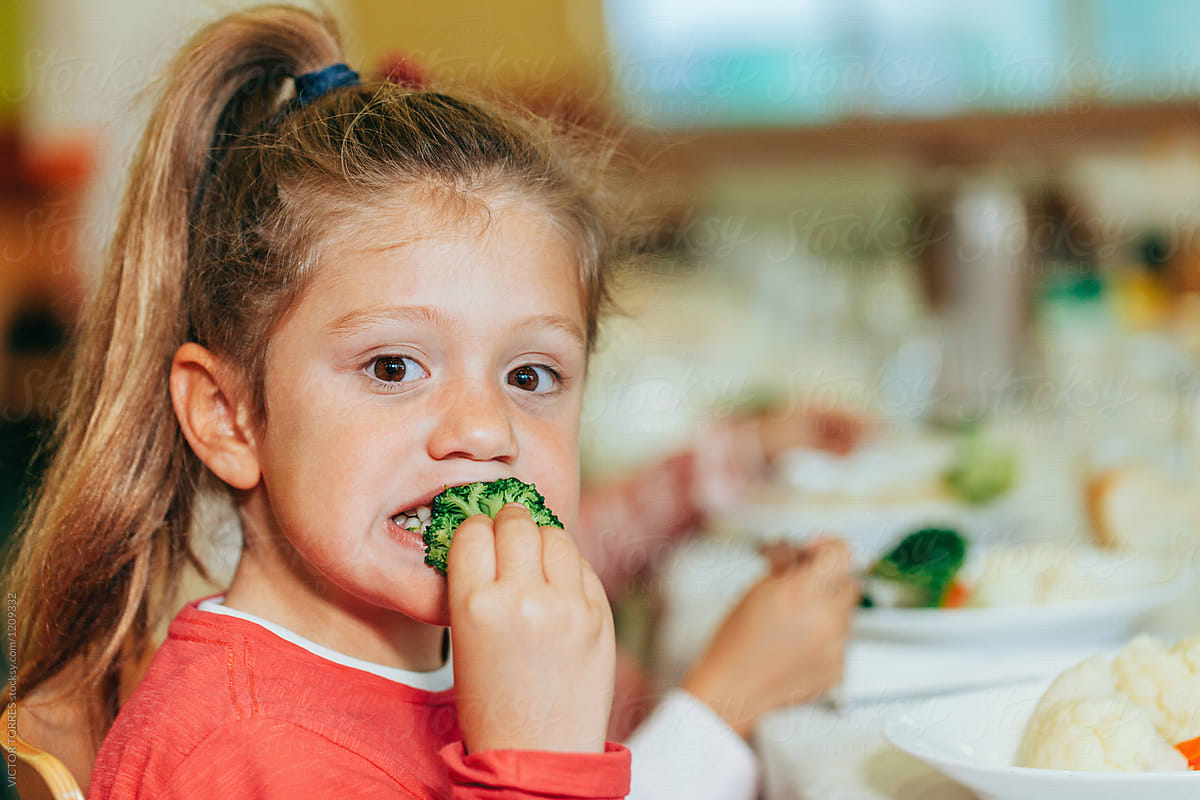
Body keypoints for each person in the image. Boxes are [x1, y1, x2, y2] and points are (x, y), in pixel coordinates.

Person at [6, 6, 634, 798]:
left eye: (530, 377)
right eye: (394, 366)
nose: (485, 430)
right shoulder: (238, 756)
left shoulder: (451, 668)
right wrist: (543, 766)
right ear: (228, 417)